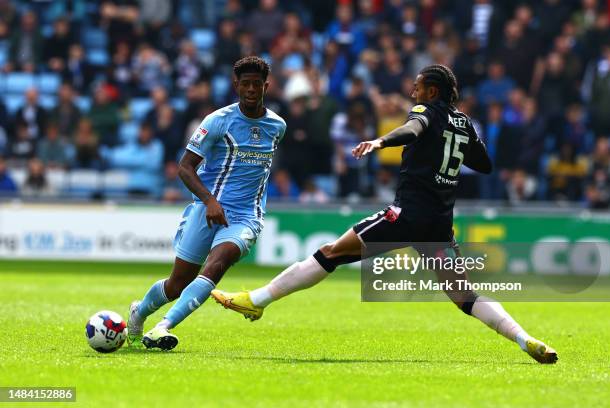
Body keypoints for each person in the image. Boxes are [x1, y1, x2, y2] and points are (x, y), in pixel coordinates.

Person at [211, 64, 558, 365]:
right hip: (439, 224)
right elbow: (484, 164)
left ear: (432, 91)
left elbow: (414, 129)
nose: (413, 91)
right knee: (464, 295)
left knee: (330, 253)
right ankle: (523, 338)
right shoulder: (463, 122)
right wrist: (456, 139)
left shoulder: (427, 111)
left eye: (418, 86)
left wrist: (381, 142)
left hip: (405, 216)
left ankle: (257, 301)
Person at [127, 57, 286, 350]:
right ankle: (139, 312)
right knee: (176, 285)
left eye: (256, 84)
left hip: (245, 216)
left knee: (216, 265)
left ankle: (162, 327)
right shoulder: (217, 121)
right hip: (206, 209)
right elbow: (185, 167)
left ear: (266, 86)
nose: (251, 89)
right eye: (245, 83)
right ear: (236, 85)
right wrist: (210, 200)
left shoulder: (277, 125)